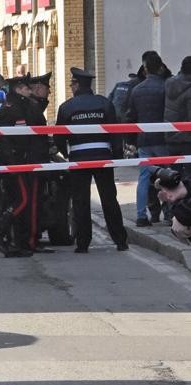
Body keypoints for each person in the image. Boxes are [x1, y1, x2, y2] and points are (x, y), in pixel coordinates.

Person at [54, 67, 129, 253]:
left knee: (80, 201)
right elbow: (115, 132)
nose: (71, 86)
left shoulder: (66, 107)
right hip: (103, 157)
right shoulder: (104, 104)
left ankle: (83, 244)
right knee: (109, 199)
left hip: (79, 159)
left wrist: (67, 154)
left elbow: (58, 137)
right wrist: (116, 156)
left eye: (72, 83)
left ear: (77, 85)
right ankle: (120, 241)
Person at [0, 75, 49, 258]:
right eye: (26, 88)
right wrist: (12, 161)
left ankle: (18, 242)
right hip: (14, 163)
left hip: (22, 161)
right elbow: (4, 138)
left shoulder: (22, 105)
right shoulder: (10, 108)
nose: (29, 90)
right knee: (23, 200)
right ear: (18, 89)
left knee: (22, 201)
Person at [127, 52, 171, 227]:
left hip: (144, 140)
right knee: (168, 175)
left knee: (144, 177)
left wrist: (131, 140)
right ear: (160, 68)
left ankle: (141, 216)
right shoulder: (166, 87)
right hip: (163, 139)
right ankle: (168, 214)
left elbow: (130, 117)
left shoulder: (137, 90)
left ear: (145, 69)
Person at [165, 56, 191, 175]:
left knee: (173, 176)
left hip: (170, 136)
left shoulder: (168, 83)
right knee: (188, 176)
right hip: (187, 140)